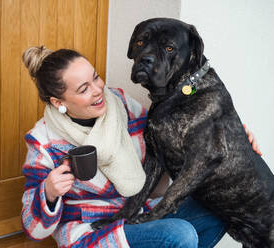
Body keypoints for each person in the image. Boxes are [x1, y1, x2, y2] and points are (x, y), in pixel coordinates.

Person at [20, 46, 262, 248]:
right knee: (179, 235)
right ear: (58, 102)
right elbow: (33, 229)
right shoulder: (44, 142)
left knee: (221, 207)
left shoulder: (122, 104)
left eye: (95, 77)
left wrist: (229, 137)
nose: (97, 90)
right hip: (92, 232)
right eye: (84, 89)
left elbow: (177, 137)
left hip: (141, 214)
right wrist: (49, 193)